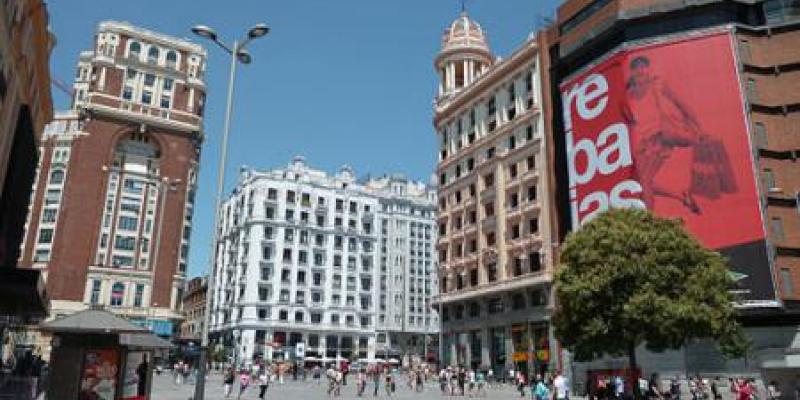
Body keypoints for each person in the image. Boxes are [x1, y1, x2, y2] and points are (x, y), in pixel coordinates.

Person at [622, 55, 736, 215]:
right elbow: (630, 124)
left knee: (644, 182)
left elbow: (682, 105)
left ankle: (648, 220)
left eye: (644, 66)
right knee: (638, 181)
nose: (641, 70)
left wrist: (700, 128)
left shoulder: (657, 84)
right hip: (644, 143)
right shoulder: (627, 96)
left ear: (648, 69)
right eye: (636, 67)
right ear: (631, 72)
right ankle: (682, 197)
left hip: (661, 138)